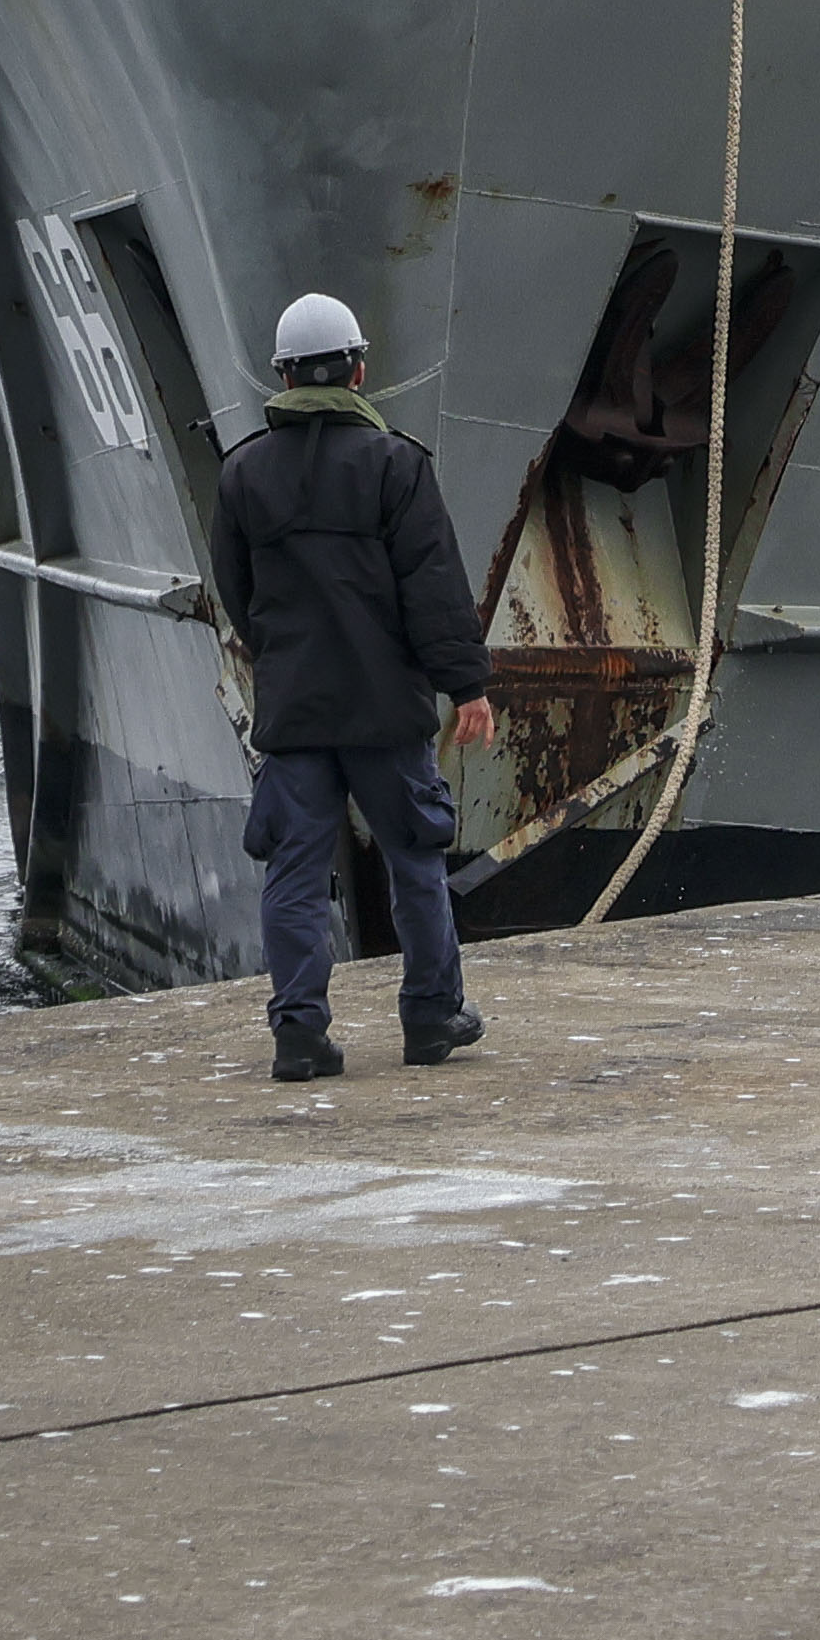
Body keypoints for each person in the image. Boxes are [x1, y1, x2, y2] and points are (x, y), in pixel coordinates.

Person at [205, 292, 500, 1086]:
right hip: (386, 710)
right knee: (415, 860)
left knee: (295, 872)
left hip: (296, 711)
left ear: (283, 376)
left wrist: (284, 656)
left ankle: (299, 1034)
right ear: (358, 371)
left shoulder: (242, 473)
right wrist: (466, 684)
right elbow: (433, 586)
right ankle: (431, 1017)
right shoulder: (397, 465)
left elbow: (237, 592)